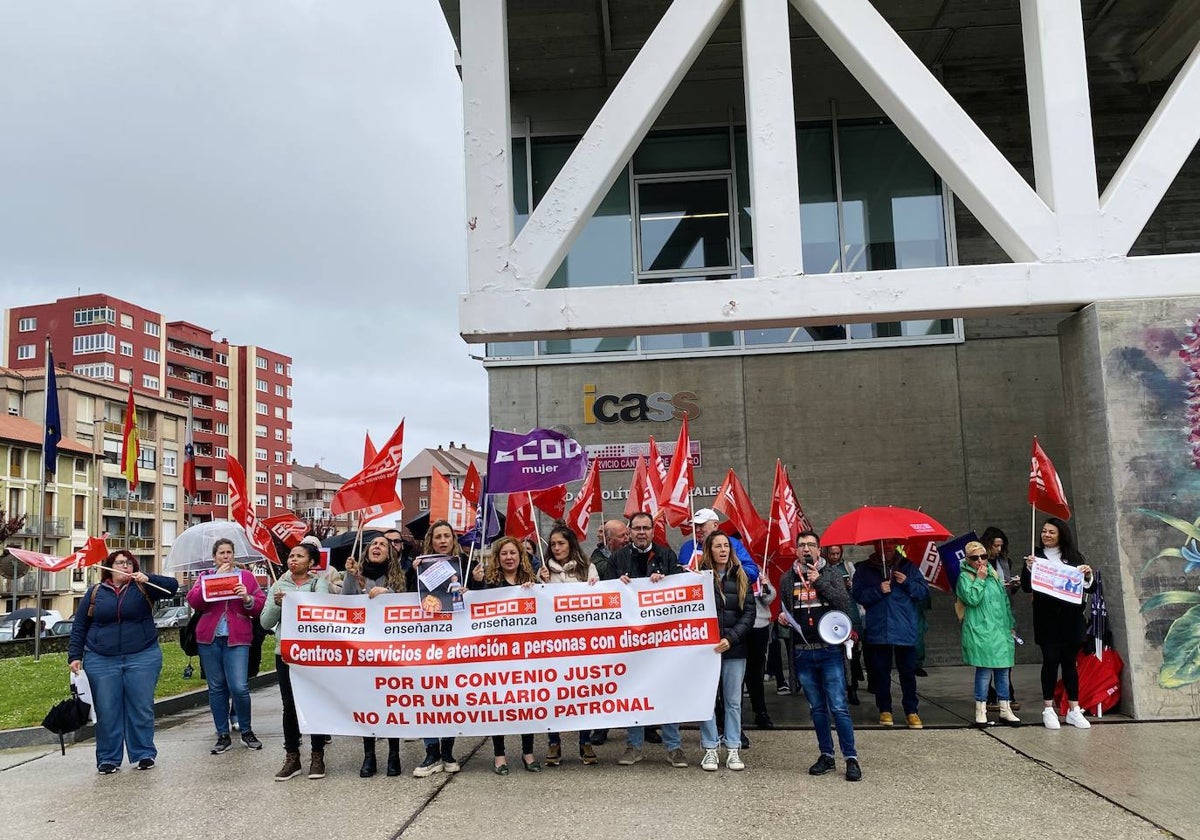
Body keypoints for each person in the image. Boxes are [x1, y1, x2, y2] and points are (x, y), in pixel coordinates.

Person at [68, 549, 179, 774]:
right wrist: (75, 655)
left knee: (141, 706)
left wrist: (149, 578)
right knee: (107, 709)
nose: (125, 567)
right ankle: (108, 758)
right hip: (102, 658)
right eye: (120, 563)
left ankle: (143, 753)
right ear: (110, 567)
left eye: (129, 563)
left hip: (142, 655)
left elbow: (173, 586)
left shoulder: (143, 587)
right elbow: (80, 626)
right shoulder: (96, 592)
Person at [780, 531, 862, 782]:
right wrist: (782, 620)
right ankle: (826, 755)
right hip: (804, 653)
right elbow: (785, 614)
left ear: (819, 550)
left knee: (838, 706)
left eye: (811, 545)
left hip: (829, 652)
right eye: (802, 545)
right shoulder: (787, 579)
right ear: (796, 550)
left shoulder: (831, 574)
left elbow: (844, 604)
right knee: (816, 708)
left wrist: (819, 582)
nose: (806, 549)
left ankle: (851, 758)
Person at [609, 511, 688, 768]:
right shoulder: (618, 558)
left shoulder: (666, 555)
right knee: (634, 692)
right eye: (637, 528)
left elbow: (681, 589)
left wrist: (665, 583)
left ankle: (673, 747)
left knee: (668, 691)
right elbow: (604, 593)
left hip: (662, 641)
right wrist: (615, 585)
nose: (641, 533)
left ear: (653, 531)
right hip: (629, 642)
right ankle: (634, 746)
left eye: (646, 528)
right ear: (629, 532)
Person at [186, 538, 267, 754]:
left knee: (239, 687)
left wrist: (247, 598)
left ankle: (246, 731)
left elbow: (259, 605)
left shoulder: (246, 577)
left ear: (234, 555)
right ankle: (222, 734)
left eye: (229, 552)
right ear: (214, 557)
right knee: (216, 688)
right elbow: (194, 601)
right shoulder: (205, 577)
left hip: (237, 638)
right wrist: (215, 582)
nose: (225, 556)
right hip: (210, 639)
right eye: (221, 552)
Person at [413, 520, 477, 777]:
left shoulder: (466, 566)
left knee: (450, 694)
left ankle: (448, 750)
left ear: (453, 540)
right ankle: (431, 752)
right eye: (438, 536)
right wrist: (413, 571)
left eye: (446, 536)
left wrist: (474, 586)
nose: (442, 540)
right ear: (432, 540)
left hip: (456, 640)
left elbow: (481, 596)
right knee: (427, 694)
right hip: (427, 639)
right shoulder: (418, 565)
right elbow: (407, 595)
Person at [261, 542, 330, 780]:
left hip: (313, 653)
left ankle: (318, 754)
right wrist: (278, 605)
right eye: (291, 555)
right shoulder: (278, 585)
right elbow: (265, 622)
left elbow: (321, 608)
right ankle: (292, 756)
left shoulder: (318, 583)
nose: (293, 560)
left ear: (311, 562)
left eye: (300, 556)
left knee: (314, 703)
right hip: (286, 653)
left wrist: (292, 599)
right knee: (289, 706)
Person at [1021, 517, 1096, 730]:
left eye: (1051, 532)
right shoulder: (1035, 557)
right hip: (1046, 620)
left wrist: (1088, 575)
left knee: (1070, 663)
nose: (1046, 535)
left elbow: (1088, 589)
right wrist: (1028, 569)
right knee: (1050, 660)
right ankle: (1048, 708)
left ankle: (1074, 709)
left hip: (1071, 619)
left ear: (1061, 534)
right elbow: (1027, 587)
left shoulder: (1074, 557)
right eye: (1044, 531)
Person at [342, 534, 408, 776]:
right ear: (366, 550)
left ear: (390, 553)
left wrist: (388, 594)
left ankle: (394, 754)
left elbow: (406, 604)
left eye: (383, 545)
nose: (378, 547)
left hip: (390, 653)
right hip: (362, 653)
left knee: (391, 703)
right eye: (374, 544)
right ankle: (369, 755)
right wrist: (351, 576)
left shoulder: (398, 577)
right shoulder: (356, 575)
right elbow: (345, 604)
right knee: (366, 702)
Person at [538, 524, 601, 766]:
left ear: (571, 544)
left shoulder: (588, 568)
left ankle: (585, 741)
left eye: (561, 543)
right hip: (552, 645)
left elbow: (598, 601)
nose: (556, 548)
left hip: (581, 644)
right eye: (553, 544)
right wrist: (539, 582)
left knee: (583, 693)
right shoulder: (544, 571)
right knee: (553, 693)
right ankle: (554, 742)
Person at [852, 540, 930, 728]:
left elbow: (923, 592)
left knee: (907, 673)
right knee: (881, 673)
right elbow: (857, 594)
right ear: (875, 547)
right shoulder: (864, 569)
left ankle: (911, 710)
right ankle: (884, 709)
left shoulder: (908, 566)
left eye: (889, 546)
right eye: (882, 546)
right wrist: (879, 590)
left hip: (904, 628)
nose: (886, 549)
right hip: (879, 628)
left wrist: (907, 582)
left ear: (894, 547)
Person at [696, 532, 755, 771]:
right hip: (706, 651)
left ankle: (732, 748)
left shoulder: (741, 576)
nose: (722, 550)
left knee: (732, 701)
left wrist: (731, 639)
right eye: (717, 546)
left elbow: (749, 614)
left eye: (726, 546)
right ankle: (710, 748)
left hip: (734, 649)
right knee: (707, 701)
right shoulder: (698, 578)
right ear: (709, 550)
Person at [484, 537, 541, 774]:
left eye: (513, 553)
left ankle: (528, 752)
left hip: (525, 654)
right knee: (500, 704)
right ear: (498, 558)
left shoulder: (531, 581)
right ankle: (499, 755)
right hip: (498, 654)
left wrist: (540, 587)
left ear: (521, 557)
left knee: (526, 703)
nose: (509, 557)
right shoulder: (489, 585)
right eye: (504, 554)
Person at [956, 540, 1020, 727]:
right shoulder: (965, 577)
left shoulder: (993, 573)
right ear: (968, 559)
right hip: (981, 630)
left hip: (1000, 630)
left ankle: (1005, 709)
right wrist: (980, 580)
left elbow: (1004, 602)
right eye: (975, 558)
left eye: (983, 556)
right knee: (984, 672)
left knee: (1003, 671)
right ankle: (981, 710)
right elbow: (971, 599)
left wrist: (1010, 625)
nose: (980, 561)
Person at [980, 525, 1020, 710]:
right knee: (986, 657)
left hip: (1004, 611)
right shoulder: (979, 563)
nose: (998, 549)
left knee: (1005, 654)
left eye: (1001, 545)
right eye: (995, 545)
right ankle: (988, 695)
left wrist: (1014, 584)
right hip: (986, 614)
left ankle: (1007, 695)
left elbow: (1008, 589)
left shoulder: (1004, 561)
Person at [823, 543, 864, 705]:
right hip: (832, 615)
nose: (835, 557)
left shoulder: (848, 566)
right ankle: (840, 688)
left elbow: (858, 588)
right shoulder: (823, 569)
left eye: (837, 553)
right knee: (836, 656)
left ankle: (852, 687)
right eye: (832, 553)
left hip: (850, 612)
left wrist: (850, 586)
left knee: (852, 655)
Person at [676, 508, 760, 582]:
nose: (697, 530)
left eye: (701, 525)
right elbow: (678, 576)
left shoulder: (732, 544)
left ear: (715, 525)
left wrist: (727, 568)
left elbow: (753, 572)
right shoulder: (687, 547)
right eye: (695, 525)